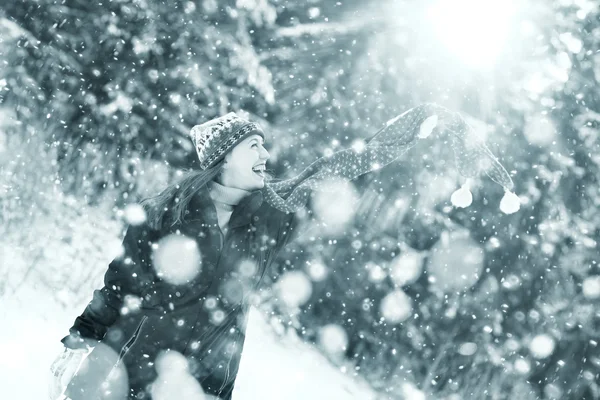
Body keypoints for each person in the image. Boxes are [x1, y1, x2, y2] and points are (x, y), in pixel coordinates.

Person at [50, 105, 517, 399]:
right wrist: (86, 330)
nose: (264, 156)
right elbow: (121, 280)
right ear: (224, 156)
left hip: (204, 378)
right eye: (253, 145)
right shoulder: (166, 210)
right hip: (135, 362)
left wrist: (425, 120)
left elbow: (347, 163)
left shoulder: (271, 211)